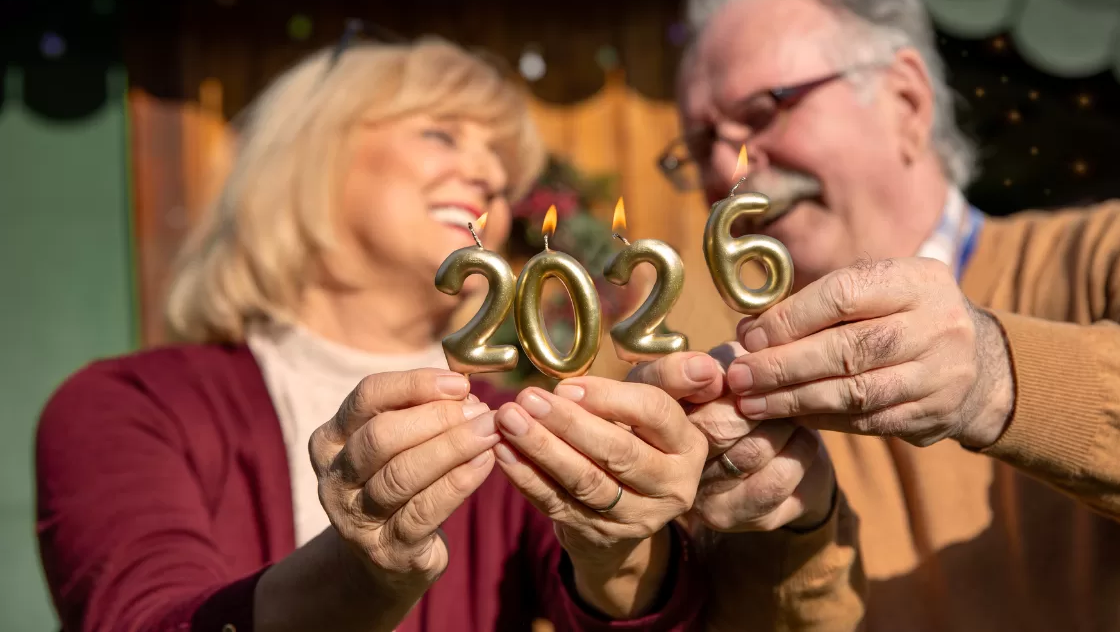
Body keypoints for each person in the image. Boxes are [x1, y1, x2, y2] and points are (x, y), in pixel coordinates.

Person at [35, 33, 709, 632]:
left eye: (504, 173)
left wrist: (621, 541)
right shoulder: (126, 406)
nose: (490, 178)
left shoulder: (511, 425)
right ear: (307, 162)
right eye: (441, 135)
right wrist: (364, 573)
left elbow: (610, 605)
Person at [632, 0, 1120, 630]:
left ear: (906, 100)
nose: (728, 168)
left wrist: (993, 375)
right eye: (700, 147)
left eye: (764, 111)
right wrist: (787, 528)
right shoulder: (712, 359)